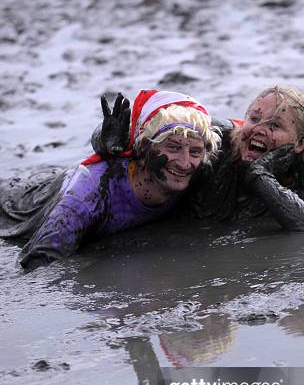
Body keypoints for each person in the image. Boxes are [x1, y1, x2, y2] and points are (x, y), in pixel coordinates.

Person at [0, 90, 221, 270]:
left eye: (195, 152)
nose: (184, 163)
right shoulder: (89, 194)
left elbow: (243, 131)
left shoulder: (199, 168)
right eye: (172, 147)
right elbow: (37, 264)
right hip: (14, 210)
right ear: (143, 147)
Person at [91, 85, 304, 231]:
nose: (259, 129)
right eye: (255, 119)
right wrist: (109, 141)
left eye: (275, 125)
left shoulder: (299, 190)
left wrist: (260, 178)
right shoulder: (215, 137)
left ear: (300, 143)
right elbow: (136, 129)